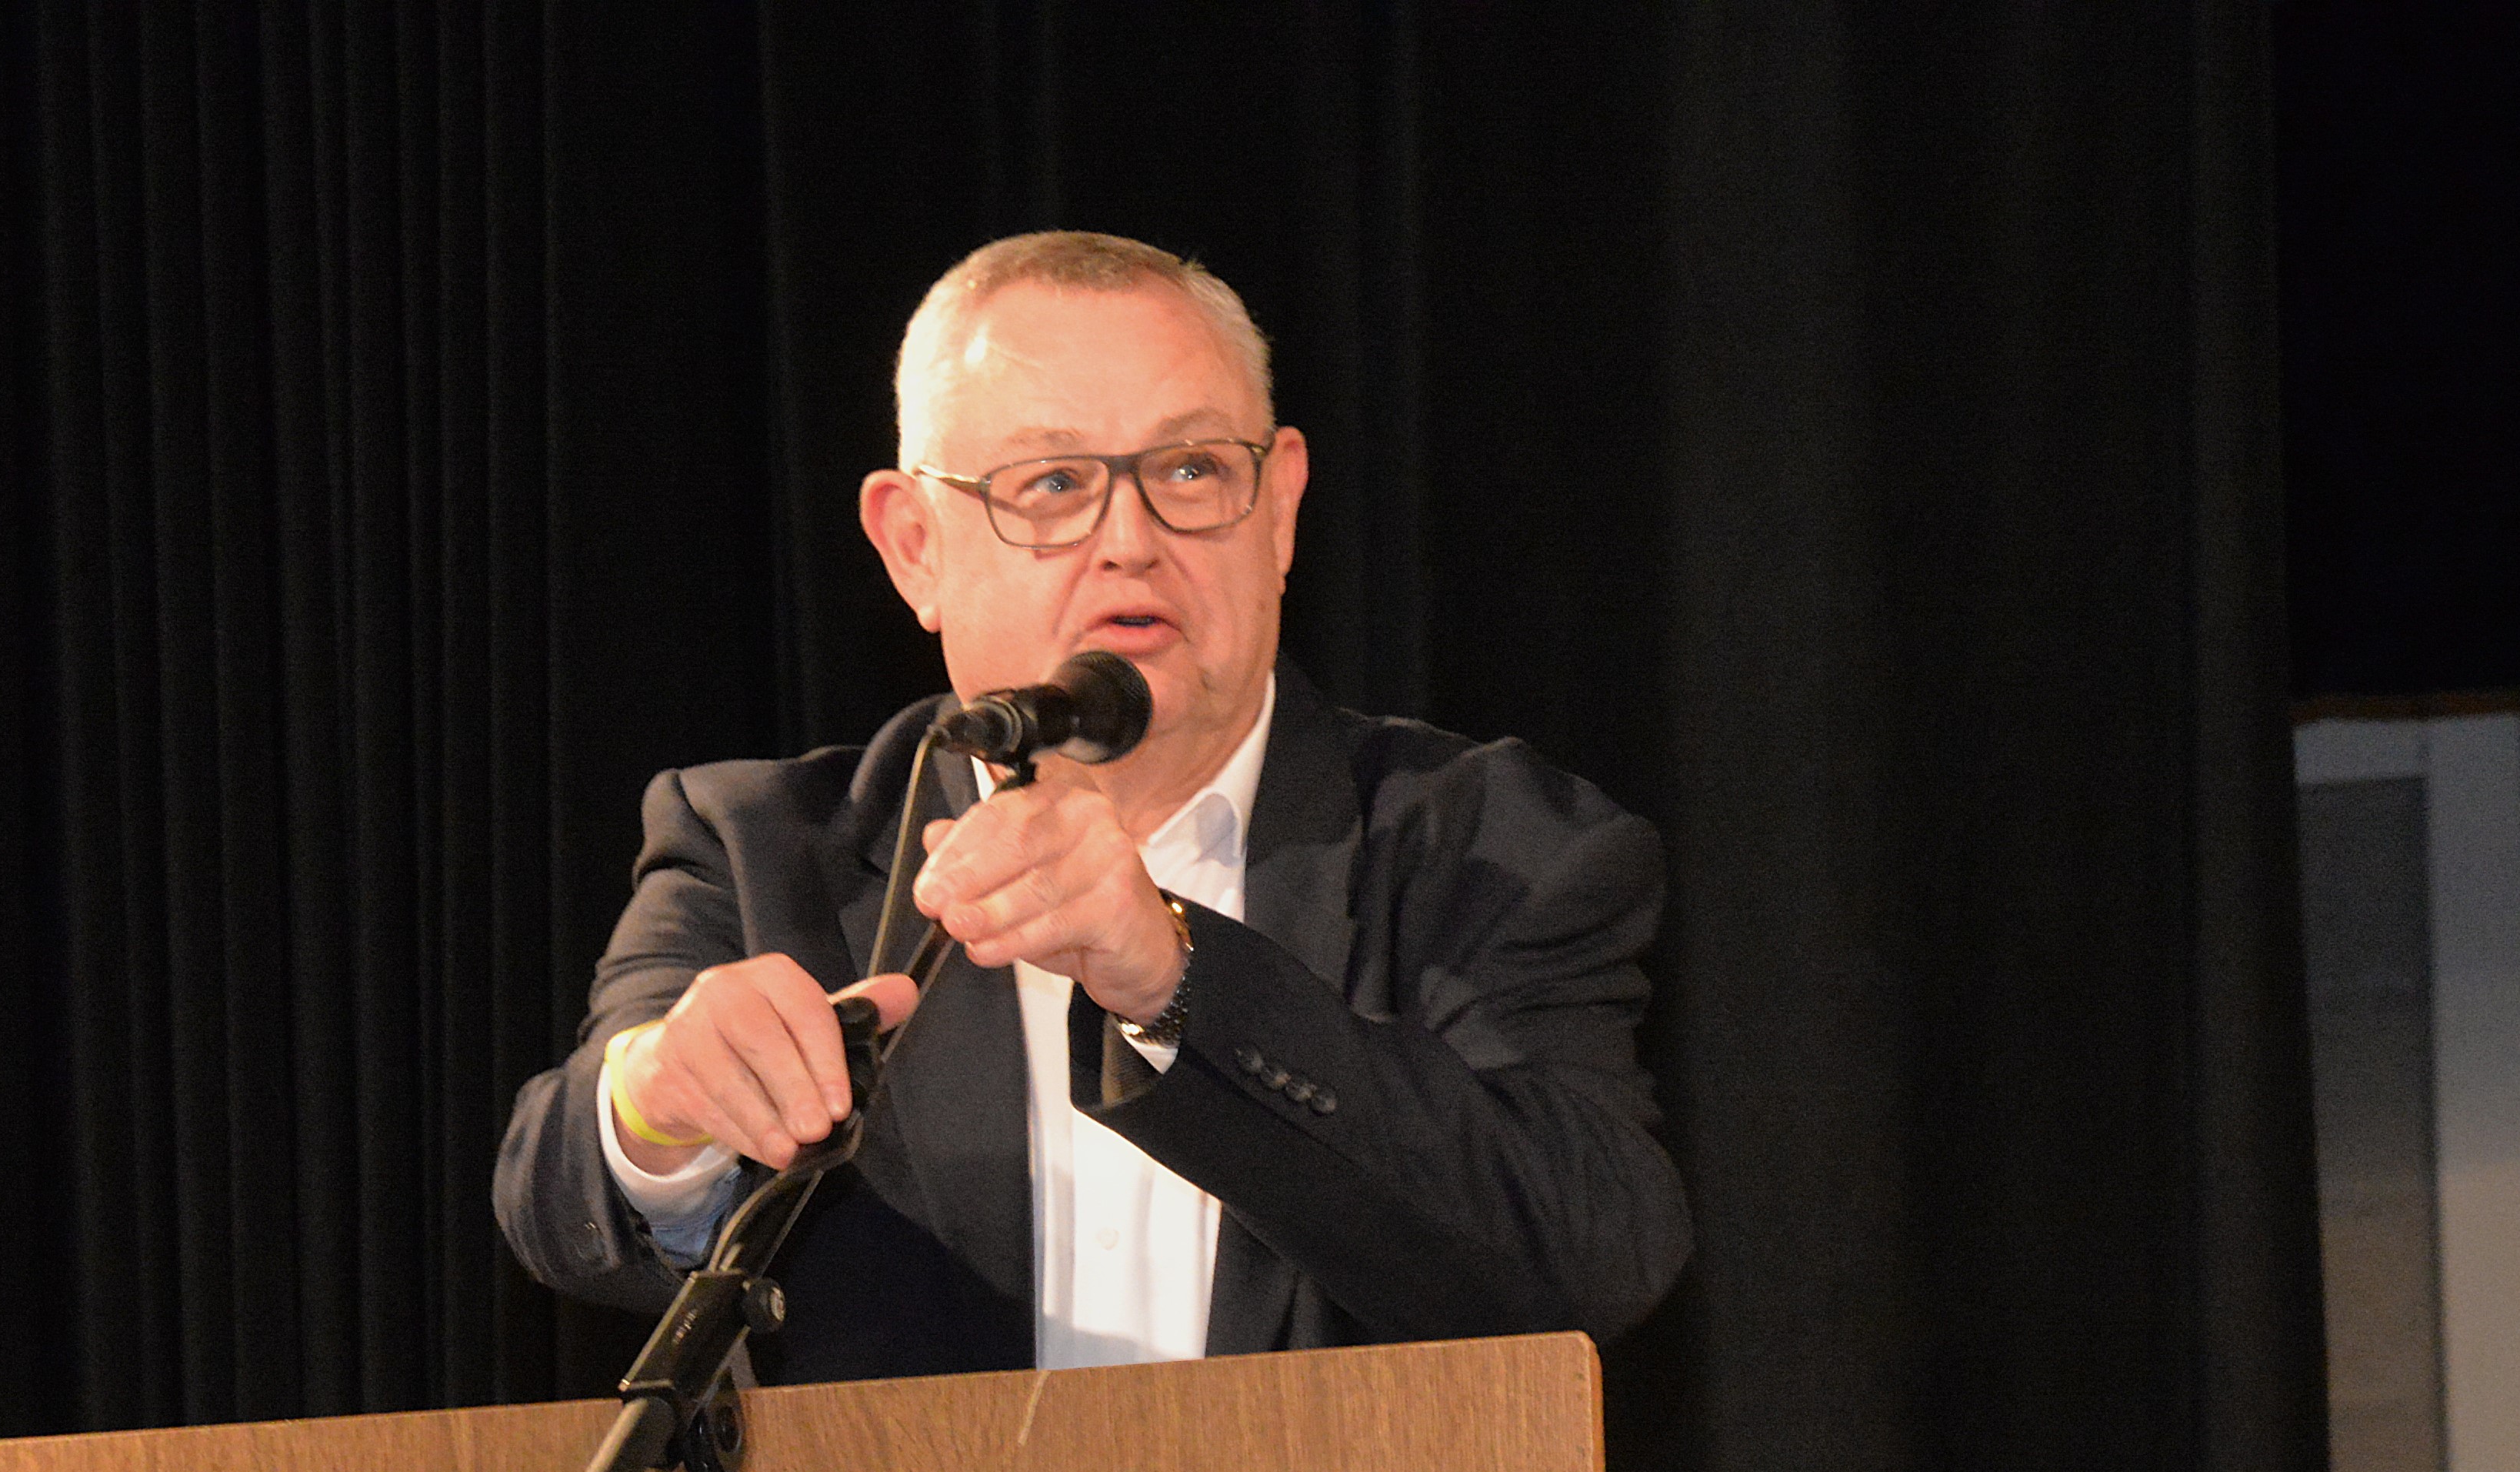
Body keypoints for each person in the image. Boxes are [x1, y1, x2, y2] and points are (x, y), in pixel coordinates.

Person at [494, 229, 1690, 1377]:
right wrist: (657, 1106)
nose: (1131, 539)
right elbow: (558, 1196)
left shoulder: (1496, 848)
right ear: (914, 546)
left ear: (1280, 507)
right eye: (1054, 483)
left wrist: (1178, 976)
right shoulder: (759, 849)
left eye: (1191, 469)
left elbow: (1590, 1256)